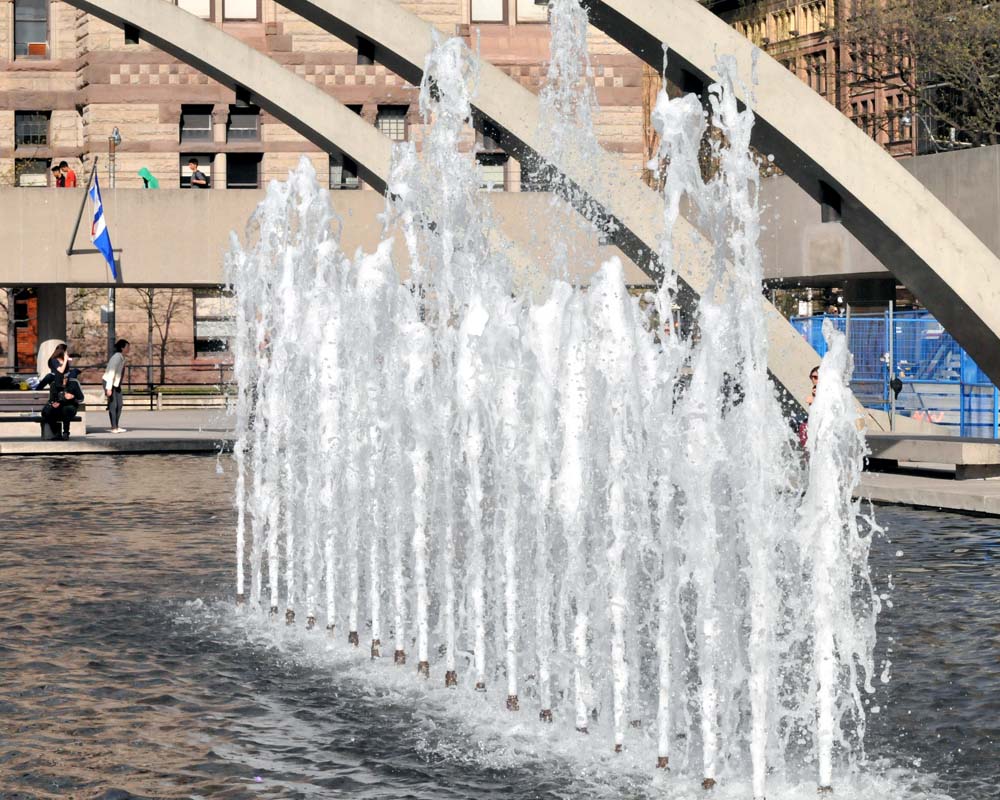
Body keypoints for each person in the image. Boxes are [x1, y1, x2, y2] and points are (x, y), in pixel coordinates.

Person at [41, 370, 84, 440]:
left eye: (66, 378)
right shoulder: (53, 384)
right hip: (58, 407)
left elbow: (81, 398)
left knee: (66, 409)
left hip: (70, 406)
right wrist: (53, 403)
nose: (64, 380)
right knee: (46, 412)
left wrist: (73, 397)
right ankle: (56, 433)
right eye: (62, 378)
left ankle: (66, 433)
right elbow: (51, 399)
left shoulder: (74, 383)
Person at [102, 339, 130, 433]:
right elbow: (111, 372)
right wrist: (109, 388)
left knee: (120, 404)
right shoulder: (117, 357)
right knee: (113, 405)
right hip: (109, 381)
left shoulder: (122, 357)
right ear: (122, 348)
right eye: (127, 347)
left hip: (116, 383)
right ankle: (114, 427)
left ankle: (116, 426)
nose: (129, 349)